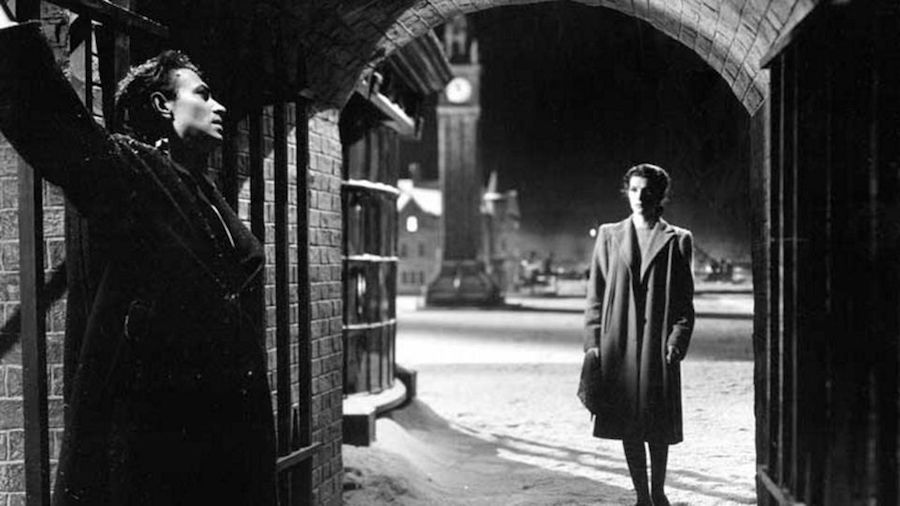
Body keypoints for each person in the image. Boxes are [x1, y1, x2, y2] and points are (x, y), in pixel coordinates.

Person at [0, 9, 276, 506]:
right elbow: (62, 134)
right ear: (162, 105)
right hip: (163, 447)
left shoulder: (203, 193)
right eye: (202, 94)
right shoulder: (136, 174)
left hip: (223, 438)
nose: (219, 106)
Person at [583, 163, 695, 506]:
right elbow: (595, 296)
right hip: (617, 342)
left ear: (660, 195)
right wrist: (593, 345)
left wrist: (676, 340)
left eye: (647, 191)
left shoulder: (678, 239)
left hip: (657, 345)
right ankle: (642, 496)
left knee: (656, 423)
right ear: (627, 193)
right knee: (626, 422)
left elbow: (684, 302)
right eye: (633, 189)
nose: (639, 197)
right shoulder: (609, 235)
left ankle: (658, 492)